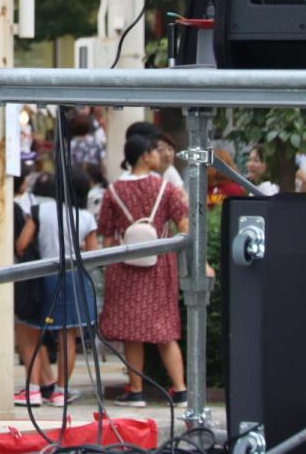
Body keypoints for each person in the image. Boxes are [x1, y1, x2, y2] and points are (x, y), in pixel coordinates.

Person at [98, 135, 188, 408]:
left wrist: (108, 266)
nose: (159, 155)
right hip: (160, 263)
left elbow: (106, 233)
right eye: (155, 151)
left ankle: (135, 391)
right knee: (165, 330)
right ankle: (180, 390)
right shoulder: (165, 188)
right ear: (144, 156)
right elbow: (184, 222)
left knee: (131, 331)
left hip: (124, 265)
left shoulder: (113, 191)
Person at [30, 170, 98, 407]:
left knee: (34, 332)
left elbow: (22, 243)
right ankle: (61, 390)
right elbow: (92, 254)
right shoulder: (86, 217)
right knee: (67, 337)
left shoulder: (41, 211)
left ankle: (36, 386)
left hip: (43, 275)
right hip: (74, 277)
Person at [13, 173, 53, 407]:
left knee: (26, 335)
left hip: (23, 281)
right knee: (41, 335)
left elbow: (21, 245)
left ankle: (34, 388)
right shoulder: (77, 213)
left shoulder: (24, 211)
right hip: (50, 277)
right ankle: (50, 384)